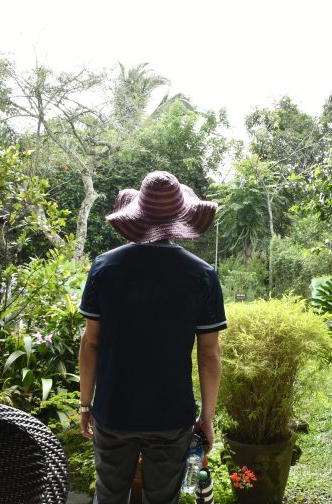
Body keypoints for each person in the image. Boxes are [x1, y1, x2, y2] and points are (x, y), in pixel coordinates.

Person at [78, 171, 226, 504]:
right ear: (180, 219)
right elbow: (209, 355)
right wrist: (206, 418)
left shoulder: (104, 267)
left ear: (135, 216)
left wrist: (85, 404)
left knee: (109, 496)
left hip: (113, 411)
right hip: (171, 416)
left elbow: (90, 343)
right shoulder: (202, 275)